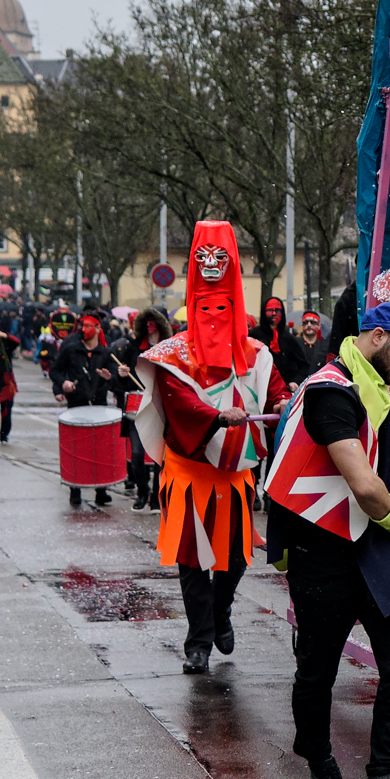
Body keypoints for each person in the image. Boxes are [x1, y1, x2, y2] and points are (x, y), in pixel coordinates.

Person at [261, 301, 390, 779]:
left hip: (370, 544)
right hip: (324, 547)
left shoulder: (366, 385)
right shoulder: (327, 390)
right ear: (378, 336)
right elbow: (364, 484)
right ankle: (321, 765)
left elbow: (381, 424)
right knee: (318, 669)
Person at [132, 225, 292, 675]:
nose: (214, 315)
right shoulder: (173, 355)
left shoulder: (256, 352)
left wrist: (283, 400)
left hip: (235, 475)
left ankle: (221, 611)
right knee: (191, 560)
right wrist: (217, 416)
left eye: (223, 306)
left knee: (235, 558)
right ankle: (198, 641)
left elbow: (275, 389)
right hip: (189, 473)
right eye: (206, 307)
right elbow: (179, 401)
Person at [52, 311, 120, 508]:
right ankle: (75, 489)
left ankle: (101, 490)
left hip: (99, 406)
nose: (83, 329)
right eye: (82, 325)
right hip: (76, 405)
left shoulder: (106, 353)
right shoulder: (71, 349)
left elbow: (116, 377)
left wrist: (111, 377)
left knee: (100, 449)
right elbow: (55, 371)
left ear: (98, 329)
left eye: (88, 326)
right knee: (77, 449)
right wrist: (62, 384)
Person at [115, 308, 174, 511]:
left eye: (153, 320)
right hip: (136, 407)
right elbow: (121, 384)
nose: (149, 324)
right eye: (146, 320)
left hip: (161, 408)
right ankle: (142, 492)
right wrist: (121, 374)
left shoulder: (171, 348)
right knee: (137, 454)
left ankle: (157, 496)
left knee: (160, 456)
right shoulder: (132, 347)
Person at [252, 296, 316, 385]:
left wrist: (295, 382)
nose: (274, 314)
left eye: (277, 311)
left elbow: (304, 365)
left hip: (284, 388)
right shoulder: (253, 336)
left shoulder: (289, 338)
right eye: (270, 310)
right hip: (258, 386)